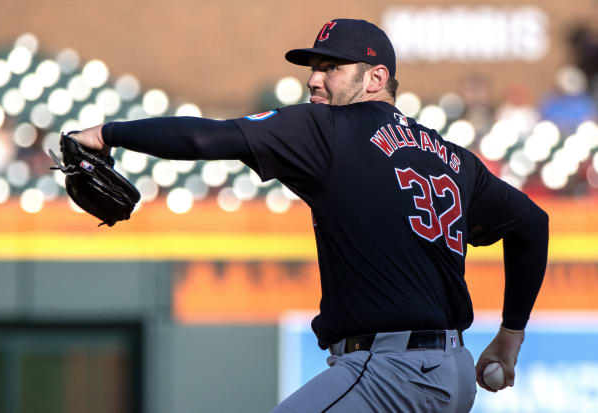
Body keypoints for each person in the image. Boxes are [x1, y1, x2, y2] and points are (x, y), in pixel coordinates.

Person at [70, 19, 548, 413]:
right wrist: (510, 335)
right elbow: (532, 224)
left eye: (332, 67)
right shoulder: (452, 158)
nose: (314, 79)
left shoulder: (327, 128)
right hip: (453, 375)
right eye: (313, 68)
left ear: (375, 78)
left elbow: (207, 138)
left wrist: (108, 133)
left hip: (387, 372)